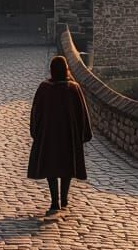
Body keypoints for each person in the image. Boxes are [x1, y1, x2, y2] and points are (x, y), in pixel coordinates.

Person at [27, 54, 92, 217]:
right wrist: (83, 133)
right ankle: (64, 198)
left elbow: (36, 112)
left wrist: (36, 131)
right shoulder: (73, 88)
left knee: (51, 168)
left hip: (49, 135)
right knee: (66, 167)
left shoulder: (44, 88)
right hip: (68, 136)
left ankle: (55, 200)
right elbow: (82, 113)